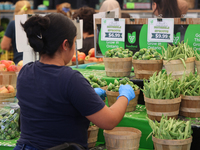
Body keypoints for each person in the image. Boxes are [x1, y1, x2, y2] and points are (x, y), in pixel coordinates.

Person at [14, 13, 135, 150]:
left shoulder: (25, 72)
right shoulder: (70, 79)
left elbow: (50, 103)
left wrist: (86, 97)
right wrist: (124, 96)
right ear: (65, 44)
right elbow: (109, 120)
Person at [1, 0, 33, 64]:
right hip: (36, 62)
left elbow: (4, 46)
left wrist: (12, 45)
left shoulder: (13, 24)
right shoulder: (37, 22)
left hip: (20, 62)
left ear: (16, 10)